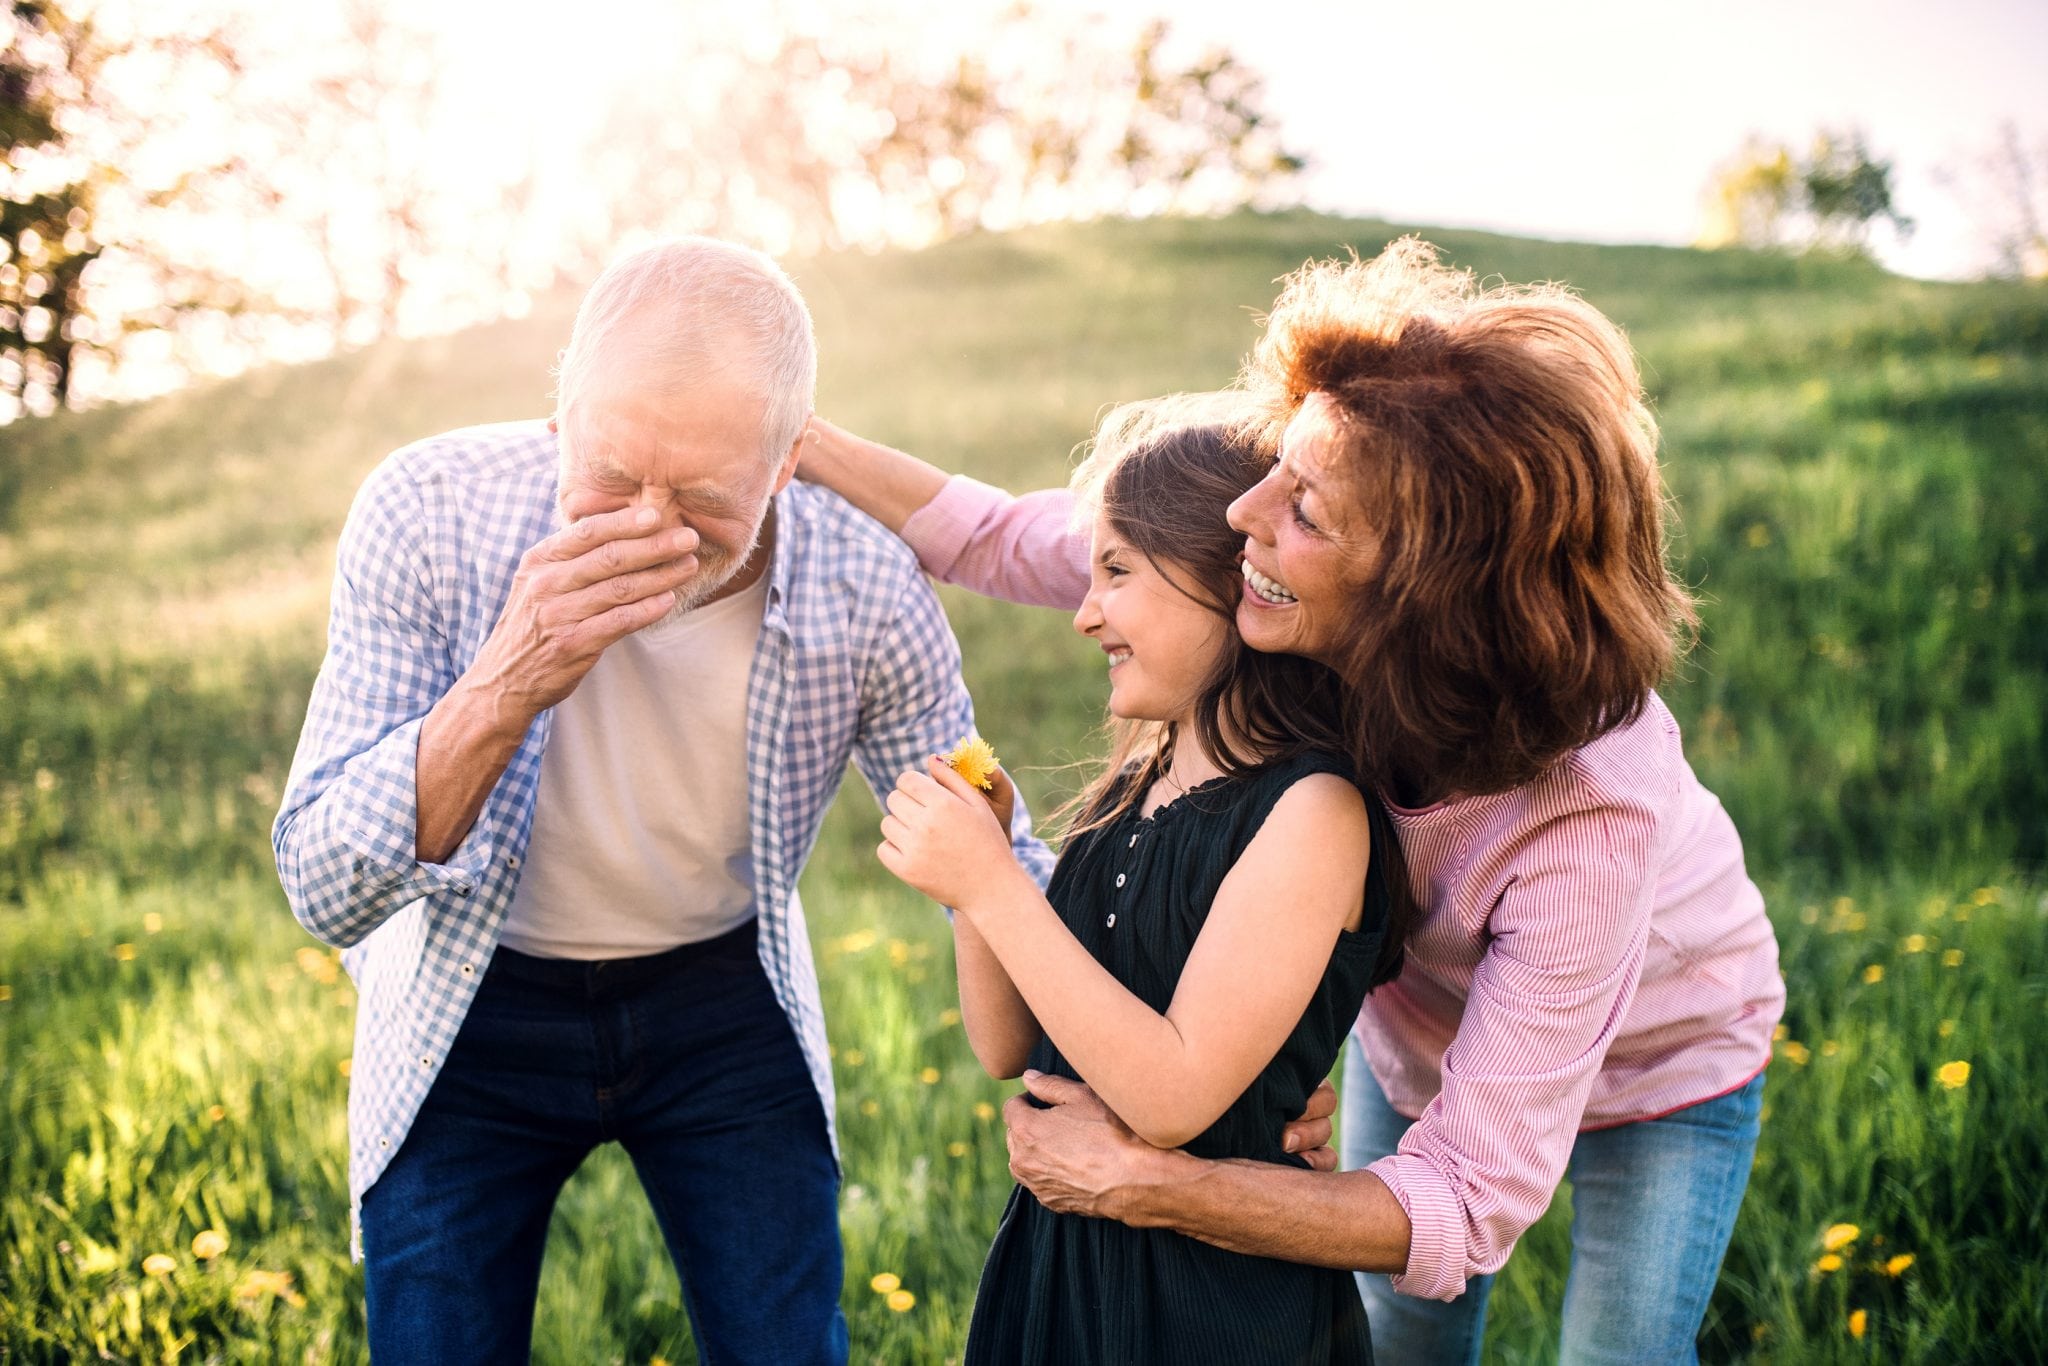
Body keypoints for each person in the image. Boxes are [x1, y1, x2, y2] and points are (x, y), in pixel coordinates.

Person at [799, 237, 1785, 1364]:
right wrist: (799, 438)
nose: (1244, 518)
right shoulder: (1283, 600)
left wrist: (1159, 1182)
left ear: (1424, 589)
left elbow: (1461, 1203)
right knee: (1402, 1339)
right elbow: (1006, 538)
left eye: (1304, 508)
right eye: (1282, 466)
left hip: (1668, 1066)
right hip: (1418, 1044)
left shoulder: (1589, 808)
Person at [272, 236, 1052, 1364]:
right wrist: (504, 682)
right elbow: (321, 884)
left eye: (697, 496)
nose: (646, 522)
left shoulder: (865, 579)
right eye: (608, 474)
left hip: (720, 998)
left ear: (787, 460)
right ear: (561, 409)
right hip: (467, 995)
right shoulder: (424, 510)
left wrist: (1178, 1077)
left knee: (787, 1346)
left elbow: (999, 857)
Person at [877, 402, 1404, 1365]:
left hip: (1210, 1305)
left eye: (1116, 571)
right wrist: (972, 886)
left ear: (1225, 577)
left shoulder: (1314, 811)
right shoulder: (1132, 789)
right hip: (1064, 1270)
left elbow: (1170, 1094)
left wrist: (995, 885)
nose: (1085, 614)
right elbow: (1010, 1047)